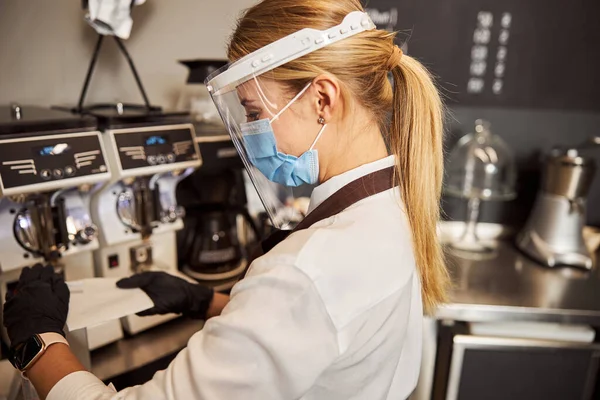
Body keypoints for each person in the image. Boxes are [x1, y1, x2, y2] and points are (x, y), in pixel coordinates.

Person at [2, 0, 449, 399]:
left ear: (322, 99)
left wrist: (38, 341)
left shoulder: (307, 270)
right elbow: (331, 330)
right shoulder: (395, 205)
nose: (249, 129)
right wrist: (207, 302)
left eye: (254, 112)